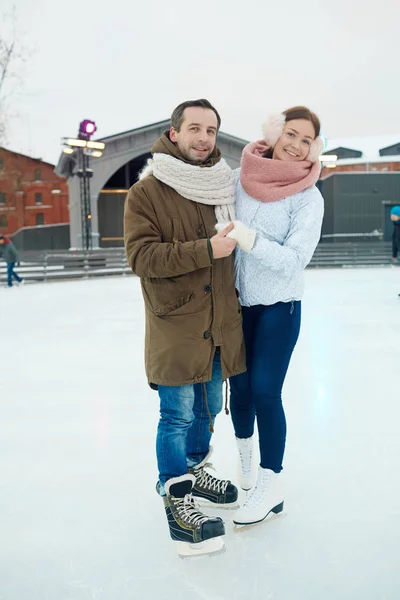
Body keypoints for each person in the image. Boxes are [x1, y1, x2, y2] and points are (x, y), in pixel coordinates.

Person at [124, 99, 246, 556]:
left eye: (211, 130)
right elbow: (142, 258)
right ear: (173, 132)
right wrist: (205, 250)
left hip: (217, 326)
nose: (204, 138)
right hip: (175, 324)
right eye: (195, 128)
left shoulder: (222, 185)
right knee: (176, 415)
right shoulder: (148, 191)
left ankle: (194, 471)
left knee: (209, 407)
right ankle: (176, 496)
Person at [225, 106, 325, 526]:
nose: (297, 145)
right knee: (241, 392)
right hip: (237, 304)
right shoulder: (239, 179)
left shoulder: (308, 195)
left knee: (266, 392)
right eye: (292, 134)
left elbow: (295, 260)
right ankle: (247, 464)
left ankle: (272, 483)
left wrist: (250, 240)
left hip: (279, 307)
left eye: (307, 140)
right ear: (275, 134)